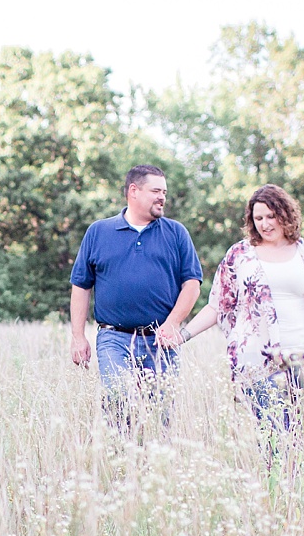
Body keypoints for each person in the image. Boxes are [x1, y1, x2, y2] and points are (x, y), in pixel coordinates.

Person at [183, 184, 304, 463]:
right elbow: (218, 304)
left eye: (270, 216)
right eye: (258, 218)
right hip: (258, 359)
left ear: (286, 215)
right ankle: (275, 491)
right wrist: (184, 334)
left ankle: (297, 494)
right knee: (271, 433)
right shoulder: (240, 255)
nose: (264, 224)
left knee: (301, 435)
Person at [69, 165, 204, 431]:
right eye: (155, 191)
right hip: (114, 339)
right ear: (133, 191)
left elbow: (192, 284)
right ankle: (122, 466)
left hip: (161, 341)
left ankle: (154, 467)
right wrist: (77, 336)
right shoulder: (99, 232)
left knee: (159, 419)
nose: (162, 197)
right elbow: (81, 285)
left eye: (164, 192)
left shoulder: (176, 233)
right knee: (119, 406)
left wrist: (174, 322)